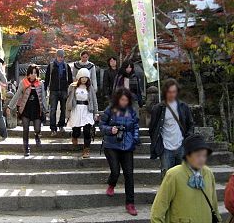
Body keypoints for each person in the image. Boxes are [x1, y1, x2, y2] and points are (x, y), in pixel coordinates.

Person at [150, 134, 220, 223]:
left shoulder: (208, 173)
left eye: (204, 155)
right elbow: (157, 211)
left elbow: (214, 204)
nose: (202, 159)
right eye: (198, 155)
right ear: (188, 156)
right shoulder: (174, 175)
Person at [100, 88, 140, 216]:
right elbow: (101, 125)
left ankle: (130, 203)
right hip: (111, 144)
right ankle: (111, 183)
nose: (124, 102)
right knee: (115, 171)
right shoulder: (110, 109)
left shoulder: (132, 111)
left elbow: (136, 126)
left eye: (126, 100)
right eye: (122, 99)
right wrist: (109, 129)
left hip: (127, 145)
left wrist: (135, 139)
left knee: (129, 174)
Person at [149, 78, 195, 176]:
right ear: (165, 92)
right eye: (169, 92)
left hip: (181, 145)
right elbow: (152, 129)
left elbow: (190, 124)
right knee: (167, 177)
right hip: (165, 147)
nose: (172, 94)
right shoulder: (158, 108)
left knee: (183, 176)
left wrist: (188, 137)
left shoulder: (183, 106)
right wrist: (157, 145)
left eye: (174, 92)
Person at [8, 65, 48, 156]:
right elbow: (17, 95)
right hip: (25, 109)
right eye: (31, 73)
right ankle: (26, 147)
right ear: (28, 74)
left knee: (37, 128)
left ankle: (37, 136)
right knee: (25, 129)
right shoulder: (23, 82)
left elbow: (43, 98)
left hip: (37, 109)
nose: (33, 75)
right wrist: (10, 107)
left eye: (35, 73)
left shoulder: (40, 84)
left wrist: (46, 109)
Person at [66, 68, 98, 158]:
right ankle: (74, 136)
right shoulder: (73, 87)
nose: (84, 79)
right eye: (82, 77)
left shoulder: (90, 87)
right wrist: (67, 112)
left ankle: (86, 149)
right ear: (79, 77)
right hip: (76, 109)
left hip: (87, 110)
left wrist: (96, 112)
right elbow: (68, 100)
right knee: (76, 131)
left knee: (87, 131)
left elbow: (94, 100)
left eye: (86, 77)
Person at [44, 49, 73, 136]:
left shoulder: (66, 66)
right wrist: (45, 89)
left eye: (62, 56)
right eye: (59, 56)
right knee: (53, 109)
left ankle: (61, 125)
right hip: (54, 90)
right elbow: (47, 78)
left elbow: (70, 79)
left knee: (63, 109)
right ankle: (53, 128)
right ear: (56, 56)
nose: (60, 58)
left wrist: (70, 89)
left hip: (64, 90)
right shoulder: (52, 65)